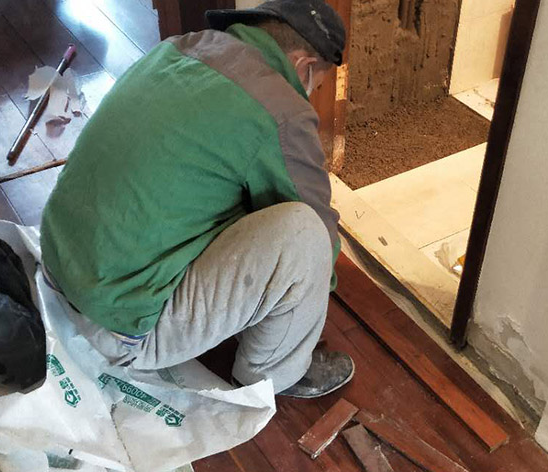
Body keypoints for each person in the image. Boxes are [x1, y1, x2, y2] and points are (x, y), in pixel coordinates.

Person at [39, 0, 354, 398]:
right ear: (304, 66)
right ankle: (272, 374)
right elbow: (317, 235)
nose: (310, 93)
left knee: (223, 185)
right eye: (316, 85)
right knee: (307, 234)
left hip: (59, 273)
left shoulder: (180, 48)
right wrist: (309, 295)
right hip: (117, 328)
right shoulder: (281, 109)